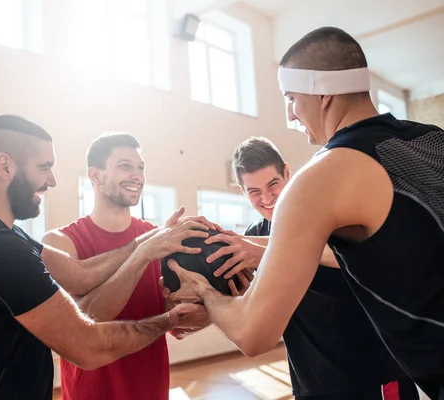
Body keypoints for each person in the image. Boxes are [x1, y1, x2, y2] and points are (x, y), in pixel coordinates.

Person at [165, 27, 444, 399]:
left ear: (322, 94)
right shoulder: (433, 141)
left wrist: (204, 292)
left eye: (291, 98)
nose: (292, 116)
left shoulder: (320, 177)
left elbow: (253, 333)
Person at [0, 108, 210, 400]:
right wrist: (170, 319)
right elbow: (88, 345)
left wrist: (150, 241)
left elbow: (80, 274)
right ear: (5, 166)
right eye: (44, 167)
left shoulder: (7, 234)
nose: (52, 181)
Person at [217, 136, 417, 399]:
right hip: (311, 384)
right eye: (254, 191)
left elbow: (364, 255)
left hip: (375, 376)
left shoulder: (328, 210)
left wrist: (265, 252)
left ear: (287, 173)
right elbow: (246, 305)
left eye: (273, 184)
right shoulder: (254, 233)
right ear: (242, 191)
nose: (266, 198)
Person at [42, 132, 214, 400]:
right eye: (125, 166)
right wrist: (141, 254)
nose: (137, 176)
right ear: (95, 176)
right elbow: (86, 323)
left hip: (152, 391)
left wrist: (216, 295)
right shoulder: (61, 243)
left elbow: (178, 327)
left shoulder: (163, 238)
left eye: (141, 168)